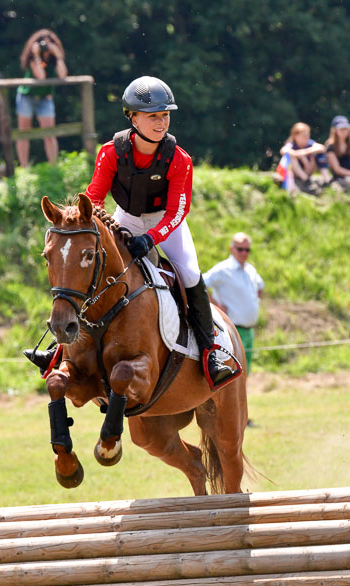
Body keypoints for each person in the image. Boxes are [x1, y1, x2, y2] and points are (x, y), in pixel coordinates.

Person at [29, 76, 233, 387]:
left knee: (191, 274)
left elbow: (178, 210)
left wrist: (150, 239)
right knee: (94, 270)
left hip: (167, 223)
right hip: (125, 218)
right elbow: (94, 196)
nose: (161, 122)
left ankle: (210, 353)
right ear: (132, 117)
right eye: (153, 116)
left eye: (165, 115)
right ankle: (60, 349)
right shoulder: (111, 152)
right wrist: (83, 221)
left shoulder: (180, 159)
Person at [203, 233, 264, 380]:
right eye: (240, 249)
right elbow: (201, 284)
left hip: (249, 331)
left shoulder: (250, 269)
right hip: (233, 329)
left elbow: (261, 287)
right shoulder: (223, 269)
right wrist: (216, 305)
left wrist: (255, 302)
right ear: (232, 249)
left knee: (245, 371)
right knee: (235, 373)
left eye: (247, 250)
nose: (244, 253)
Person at [16, 29, 67, 166]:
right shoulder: (32, 58)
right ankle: (24, 167)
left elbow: (62, 74)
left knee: (49, 133)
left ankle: (53, 166)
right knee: (24, 133)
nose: (46, 46)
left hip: (45, 98)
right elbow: (40, 75)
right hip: (27, 96)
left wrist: (58, 56)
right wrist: (37, 55)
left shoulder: (53, 59)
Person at [279, 122, 330, 195]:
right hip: (297, 173)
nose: (306, 137)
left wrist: (304, 152)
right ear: (296, 136)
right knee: (290, 156)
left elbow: (322, 148)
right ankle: (306, 180)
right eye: (303, 135)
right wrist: (298, 154)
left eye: (308, 135)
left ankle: (326, 179)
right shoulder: (291, 145)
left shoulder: (310, 143)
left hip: (308, 169)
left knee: (320, 154)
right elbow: (283, 151)